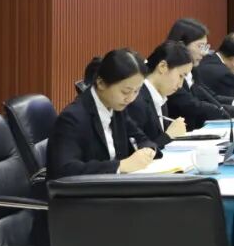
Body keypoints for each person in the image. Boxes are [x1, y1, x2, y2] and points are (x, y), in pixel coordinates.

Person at [47, 49, 156, 179]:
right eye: (125, 91)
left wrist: (147, 150)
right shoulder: (73, 118)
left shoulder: (117, 108)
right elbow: (65, 170)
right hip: (85, 190)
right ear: (101, 83)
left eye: (136, 91)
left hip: (113, 185)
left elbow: (141, 138)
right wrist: (120, 166)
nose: (131, 98)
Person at [164, 18, 234, 127]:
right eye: (200, 46)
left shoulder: (193, 70)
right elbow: (194, 106)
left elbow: (210, 96)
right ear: (182, 45)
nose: (204, 53)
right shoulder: (169, 73)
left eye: (206, 47)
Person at [126, 41, 191, 150]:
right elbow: (137, 151)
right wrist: (169, 136)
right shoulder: (136, 100)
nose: (180, 85)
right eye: (180, 76)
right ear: (162, 67)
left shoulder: (161, 97)